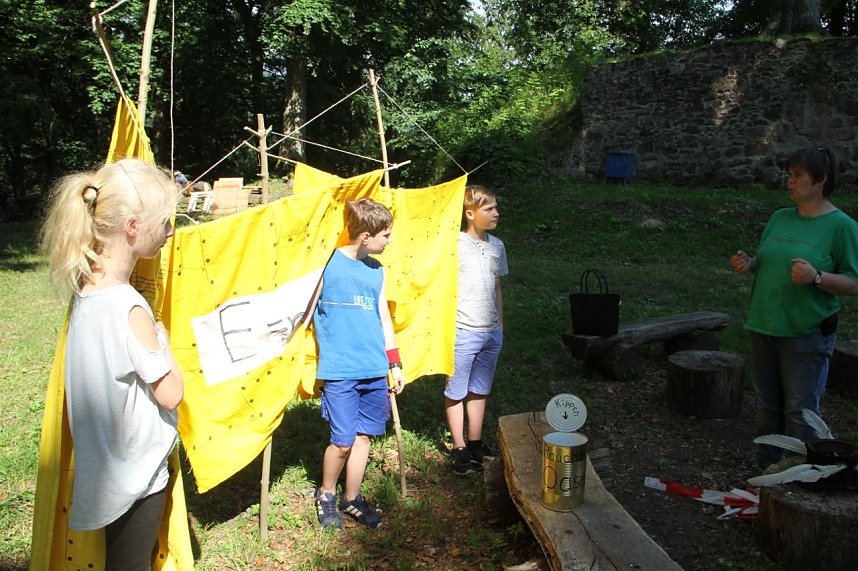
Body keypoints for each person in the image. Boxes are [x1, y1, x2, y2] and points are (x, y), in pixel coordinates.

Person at [39, 158, 184, 569]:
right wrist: (165, 341)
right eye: (164, 222)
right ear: (133, 227)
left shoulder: (85, 291)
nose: (170, 232)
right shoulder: (129, 307)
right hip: (137, 479)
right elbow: (171, 394)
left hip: (105, 472)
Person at [731, 147, 858, 469]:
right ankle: (766, 472)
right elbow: (767, 260)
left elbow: (854, 282)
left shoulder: (841, 226)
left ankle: (806, 476)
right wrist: (750, 263)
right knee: (767, 405)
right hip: (764, 324)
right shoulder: (780, 218)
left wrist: (816, 277)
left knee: (801, 411)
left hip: (805, 332)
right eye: (789, 174)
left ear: (822, 179)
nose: (789, 181)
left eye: (798, 175)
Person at [312, 197, 405, 529]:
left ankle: (351, 498)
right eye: (386, 235)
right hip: (340, 372)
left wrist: (394, 364)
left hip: (374, 370)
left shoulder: (377, 271)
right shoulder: (326, 265)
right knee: (342, 441)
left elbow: (384, 319)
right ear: (365, 236)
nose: (389, 241)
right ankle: (326, 494)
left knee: (364, 437)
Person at [444, 184, 508, 476]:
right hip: (462, 329)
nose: (496, 213)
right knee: (456, 390)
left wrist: (500, 326)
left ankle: (474, 442)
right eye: (489, 209)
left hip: (490, 332)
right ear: (470, 214)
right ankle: (458, 448)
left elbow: (497, 287)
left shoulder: (497, 246)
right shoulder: (454, 244)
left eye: (496, 208)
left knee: (480, 388)